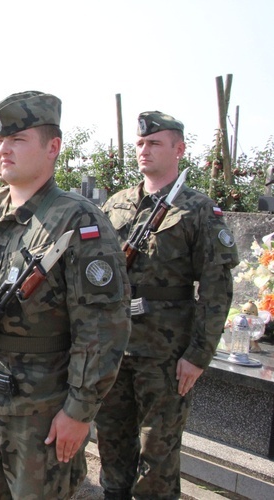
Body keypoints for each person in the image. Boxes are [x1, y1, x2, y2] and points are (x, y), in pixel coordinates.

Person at [0, 91, 131, 499]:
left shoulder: (80, 221)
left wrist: (79, 410)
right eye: (0, 141)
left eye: (17, 140)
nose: (3, 150)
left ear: (53, 148)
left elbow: (103, 328)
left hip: (42, 411)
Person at [94, 111, 239, 500]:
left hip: (166, 352)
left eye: (154, 143)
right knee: (111, 439)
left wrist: (198, 355)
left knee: (157, 452)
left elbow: (216, 289)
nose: (144, 150)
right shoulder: (117, 204)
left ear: (179, 149)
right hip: (117, 346)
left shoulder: (198, 210)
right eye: (140, 143)